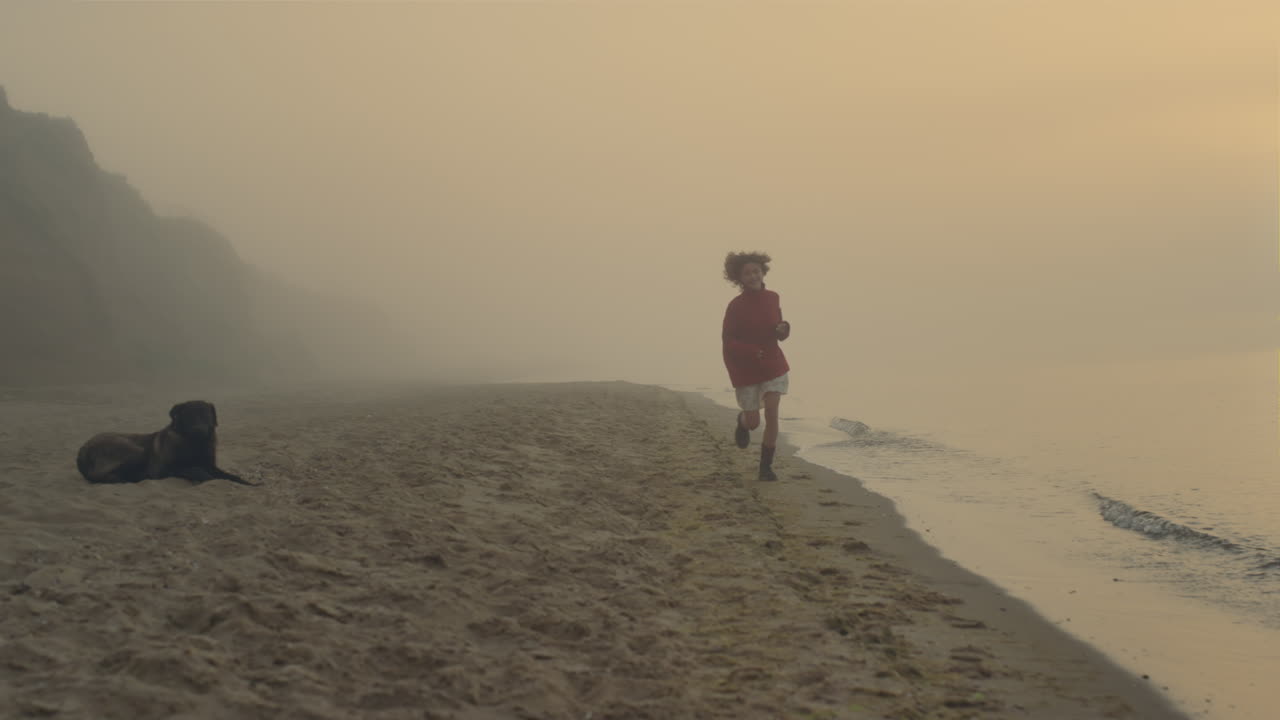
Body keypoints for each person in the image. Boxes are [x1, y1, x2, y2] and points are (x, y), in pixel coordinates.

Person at [721, 251, 791, 481]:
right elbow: (728, 342)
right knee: (754, 423)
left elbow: (778, 328)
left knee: (772, 410)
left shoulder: (773, 297)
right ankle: (742, 422)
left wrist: (783, 329)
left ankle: (766, 467)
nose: (753, 276)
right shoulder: (735, 307)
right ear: (739, 278)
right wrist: (750, 352)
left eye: (756, 271)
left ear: (763, 272)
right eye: (747, 273)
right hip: (746, 369)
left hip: (772, 363)